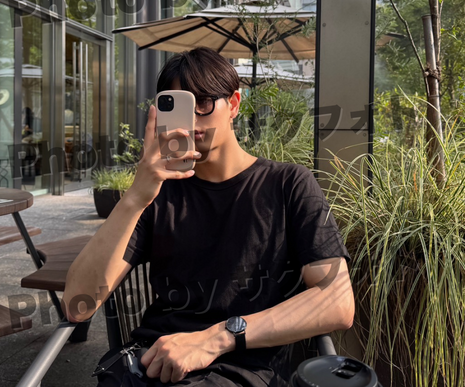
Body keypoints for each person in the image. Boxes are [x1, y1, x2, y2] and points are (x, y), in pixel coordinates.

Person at [61, 47, 354, 386]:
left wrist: (217, 337)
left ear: (234, 104)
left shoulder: (288, 184)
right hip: (152, 364)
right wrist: (135, 197)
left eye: (202, 102)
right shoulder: (155, 192)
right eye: (177, 105)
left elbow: (337, 301)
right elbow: (77, 306)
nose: (192, 118)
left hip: (241, 369)